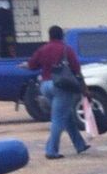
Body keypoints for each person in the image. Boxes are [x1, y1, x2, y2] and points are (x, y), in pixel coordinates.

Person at [22, 26, 88, 160]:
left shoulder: (43, 49)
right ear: (61, 36)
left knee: (66, 115)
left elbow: (32, 65)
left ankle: (80, 144)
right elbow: (76, 69)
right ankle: (51, 150)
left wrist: (25, 65)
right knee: (58, 118)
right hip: (61, 86)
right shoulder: (66, 49)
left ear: (50, 36)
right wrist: (83, 87)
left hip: (45, 86)